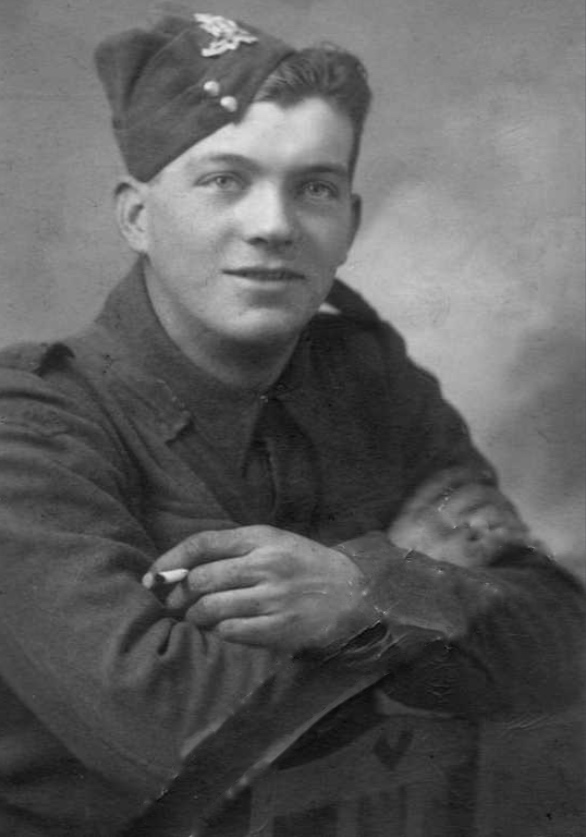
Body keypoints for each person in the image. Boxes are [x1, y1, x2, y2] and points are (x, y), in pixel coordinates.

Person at [0, 10, 583, 837]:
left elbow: (561, 641)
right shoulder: (31, 428)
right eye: (224, 180)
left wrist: (355, 593)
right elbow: (175, 741)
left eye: (314, 187)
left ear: (348, 222)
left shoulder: (373, 380)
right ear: (136, 216)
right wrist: (410, 591)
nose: (273, 225)